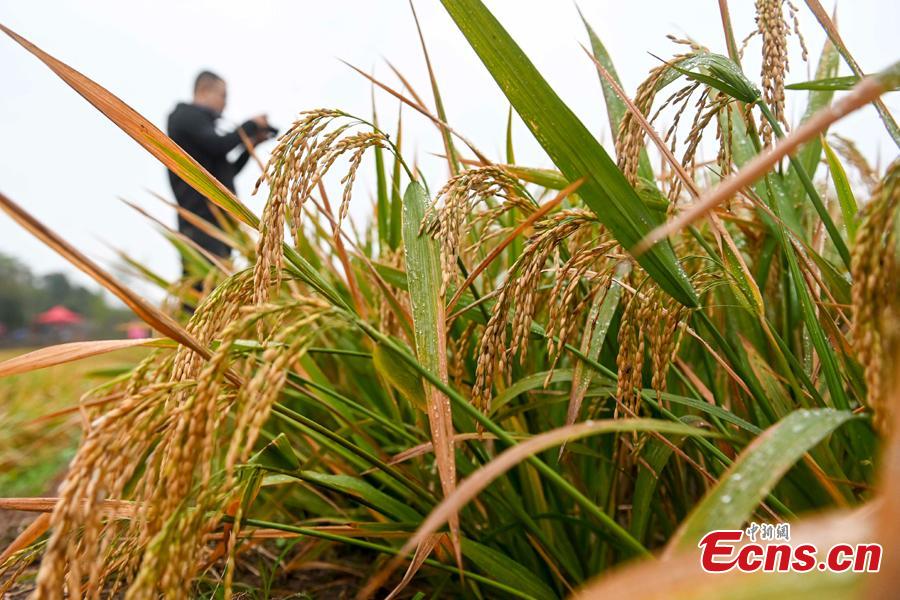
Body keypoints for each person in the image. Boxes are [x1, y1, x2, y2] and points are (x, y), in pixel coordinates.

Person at [166, 70, 273, 274]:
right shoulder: (185, 116)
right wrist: (250, 126)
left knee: (218, 281)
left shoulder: (203, 128)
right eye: (223, 96)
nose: (225, 104)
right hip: (201, 224)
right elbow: (218, 145)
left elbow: (226, 173)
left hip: (217, 225)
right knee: (203, 287)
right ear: (205, 91)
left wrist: (249, 145)